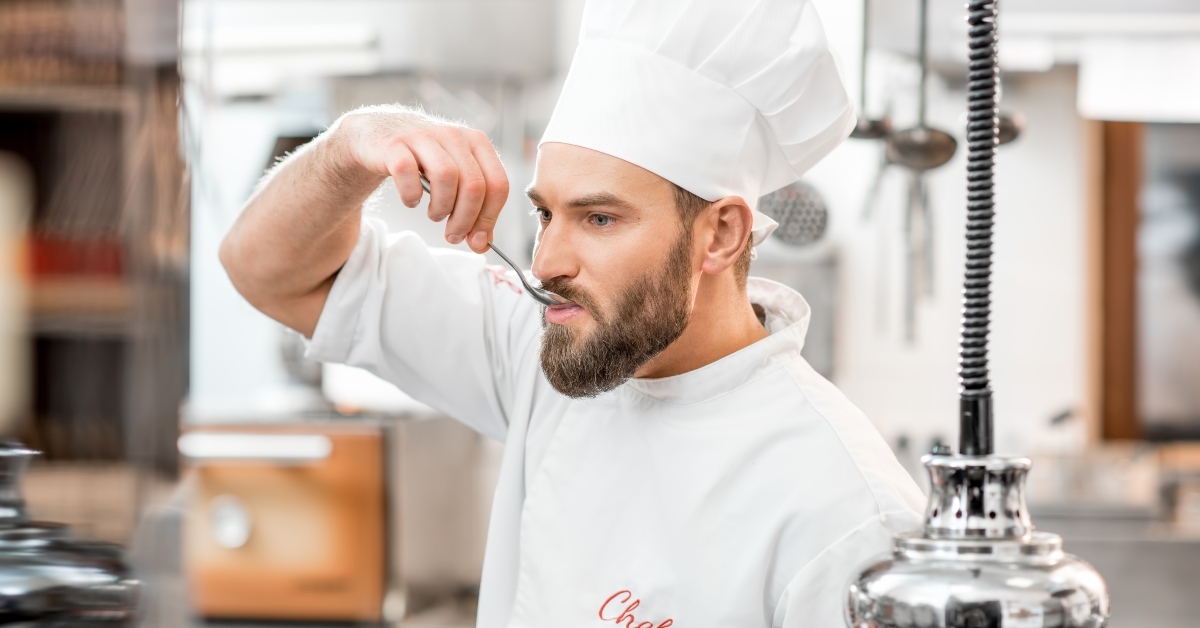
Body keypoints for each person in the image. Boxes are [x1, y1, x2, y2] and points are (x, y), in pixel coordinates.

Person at [221, 0, 926, 625]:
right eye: (545, 214)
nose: (545, 262)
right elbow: (267, 271)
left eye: (598, 218)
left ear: (721, 234)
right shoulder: (543, 346)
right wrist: (353, 145)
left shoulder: (847, 513)